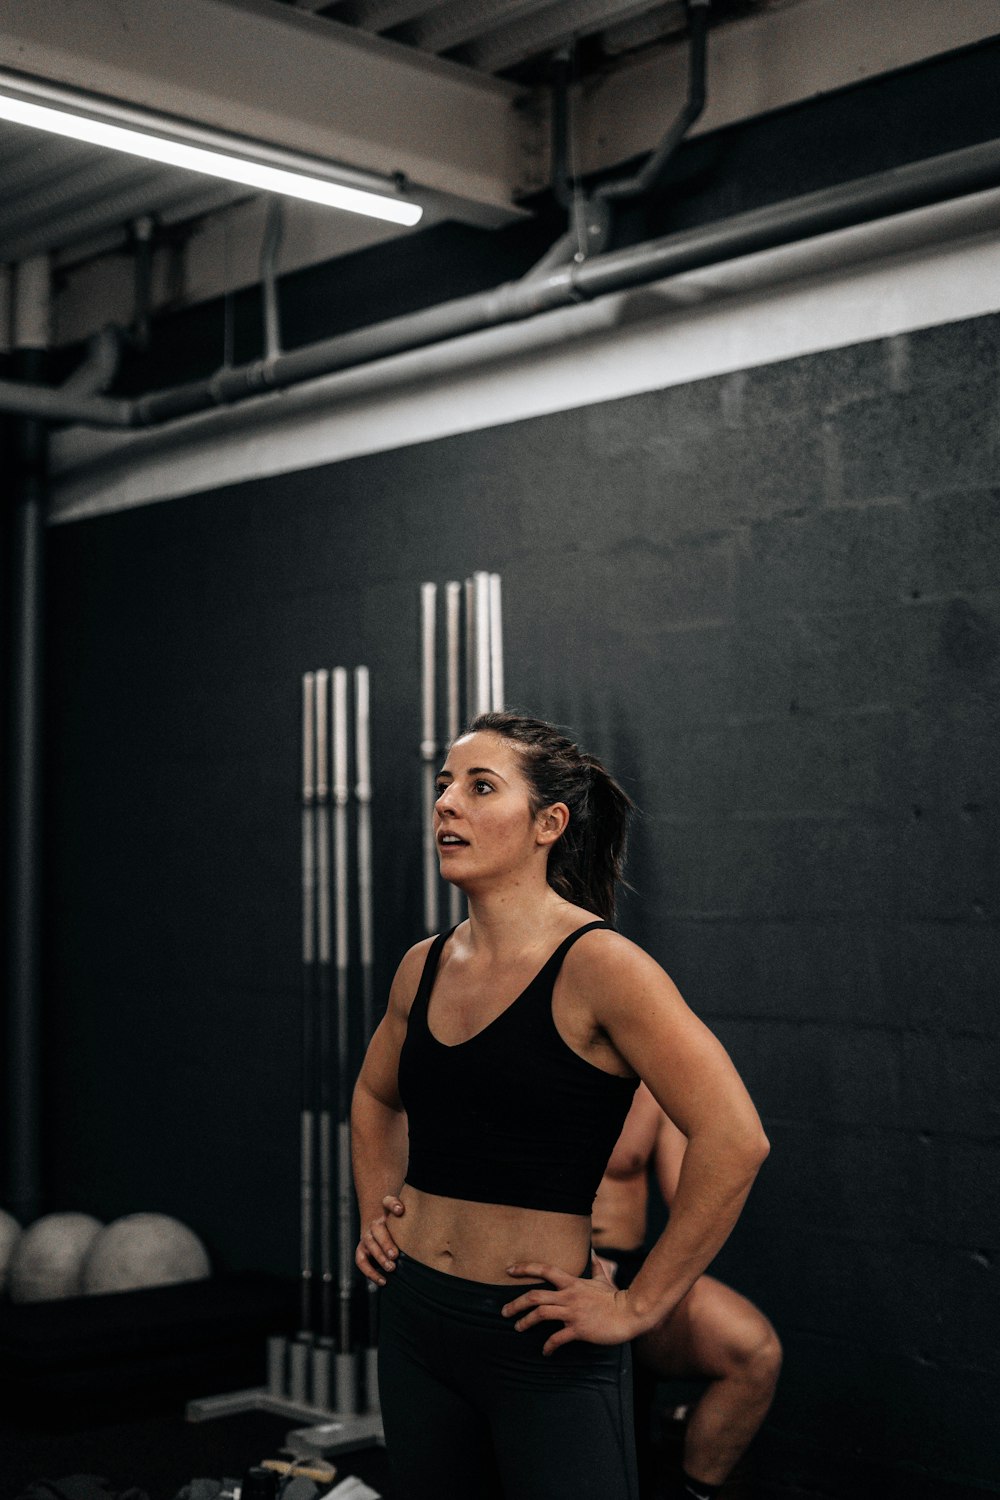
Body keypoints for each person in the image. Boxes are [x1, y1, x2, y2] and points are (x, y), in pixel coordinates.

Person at [351, 712, 770, 1500]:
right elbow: (375, 1097)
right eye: (444, 786)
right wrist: (376, 1203)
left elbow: (734, 1138)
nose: (446, 804)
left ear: (549, 823)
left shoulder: (602, 966)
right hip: (415, 1319)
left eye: (480, 787)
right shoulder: (424, 965)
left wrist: (640, 1304)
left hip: (539, 1333)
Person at [594, 1085, 782, 1499]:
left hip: (628, 1268)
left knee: (754, 1352)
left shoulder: (655, 1081)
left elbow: (688, 1197)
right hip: (551, 1262)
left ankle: (690, 1492)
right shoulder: (534, 1051)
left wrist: (715, 1131)